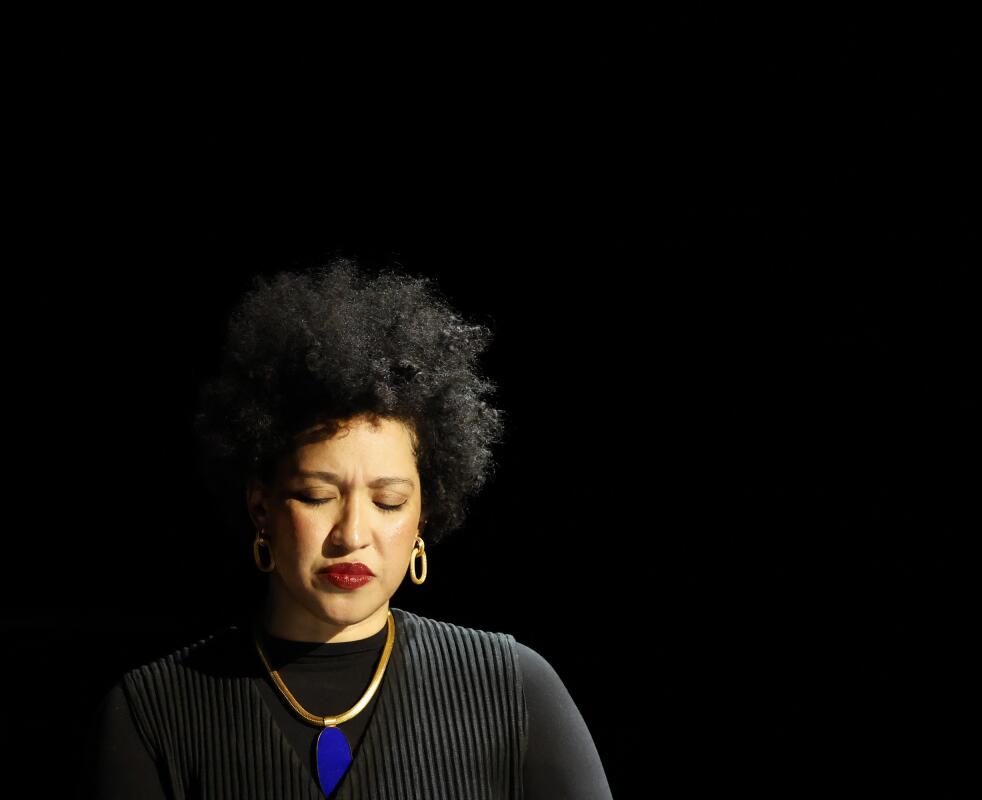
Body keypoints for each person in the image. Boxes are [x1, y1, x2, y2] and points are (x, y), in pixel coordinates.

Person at [80, 257, 613, 799]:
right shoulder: (152, 713)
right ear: (260, 507)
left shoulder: (514, 691)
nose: (352, 533)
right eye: (317, 496)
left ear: (424, 515)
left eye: (388, 501)